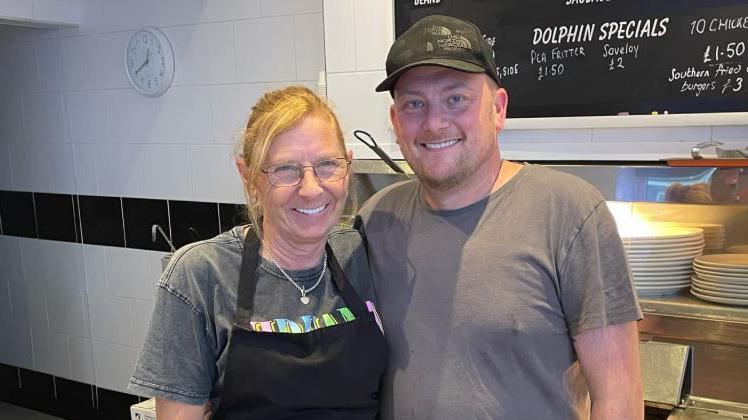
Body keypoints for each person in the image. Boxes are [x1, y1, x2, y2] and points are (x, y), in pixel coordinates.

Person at [355, 15, 643, 419]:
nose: (435, 123)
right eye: (414, 104)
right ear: (395, 123)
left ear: (498, 109)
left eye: (456, 99)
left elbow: (619, 396)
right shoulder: (377, 220)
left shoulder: (570, 212)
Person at [129, 86, 387, 419]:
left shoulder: (362, 255)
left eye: (327, 164)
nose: (310, 188)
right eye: (285, 169)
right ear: (248, 176)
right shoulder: (201, 275)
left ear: (347, 166)